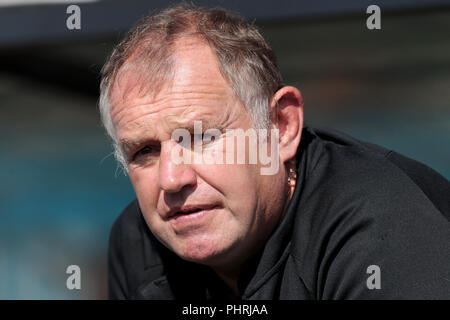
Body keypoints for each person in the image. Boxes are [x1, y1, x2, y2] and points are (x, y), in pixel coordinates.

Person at [100, 4, 450, 299]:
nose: (172, 178)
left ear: (281, 128)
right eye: (144, 151)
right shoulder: (138, 245)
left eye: (198, 137)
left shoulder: (379, 230)